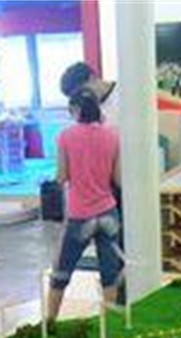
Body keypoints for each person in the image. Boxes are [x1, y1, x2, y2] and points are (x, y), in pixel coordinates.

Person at [45, 89, 121, 324]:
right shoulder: (113, 136)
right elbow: (117, 178)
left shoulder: (66, 136)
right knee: (110, 272)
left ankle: (50, 322)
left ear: (76, 110)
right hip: (108, 212)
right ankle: (109, 324)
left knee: (61, 271)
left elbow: (61, 177)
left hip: (80, 216)